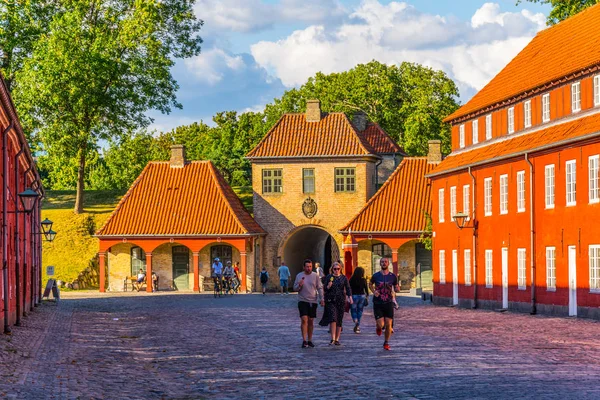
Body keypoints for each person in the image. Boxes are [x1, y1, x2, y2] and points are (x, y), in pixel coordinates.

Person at [369, 258, 400, 351]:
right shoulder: (376, 276)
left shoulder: (393, 276)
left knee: (388, 324)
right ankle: (378, 327)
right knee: (381, 324)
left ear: (388, 263)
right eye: (382, 262)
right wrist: (374, 291)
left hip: (388, 302)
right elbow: (370, 284)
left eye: (385, 262)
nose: (384, 263)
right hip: (378, 302)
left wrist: (397, 289)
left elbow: (396, 287)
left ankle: (386, 342)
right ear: (380, 264)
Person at [293, 258, 324, 348]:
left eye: (310, 266)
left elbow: (320, 287)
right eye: (307, 267)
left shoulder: (315, 276)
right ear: (304, 267)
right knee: (304, 319)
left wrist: (322, 298)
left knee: (311, 321)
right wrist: (299, 285)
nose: (309, 268)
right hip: (302, 300)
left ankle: (310, 339)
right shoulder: (299, 276)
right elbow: (295, 288)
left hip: (313, 301)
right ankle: (304, 340)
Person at [319, 262, 352, 346]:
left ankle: (337, 339)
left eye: (338, 269)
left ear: (340, 269)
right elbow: (324, 288)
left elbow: (348, 288)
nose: (336, 270)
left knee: (339, 320)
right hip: (330, 300)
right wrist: (328, 286)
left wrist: (350, 297)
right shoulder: (329, 277)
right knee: (333, 318)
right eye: (335, 269)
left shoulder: (344, 278)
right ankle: (332, 338)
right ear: (332, 269)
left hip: (340, 300)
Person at [349, 266, 369, 333]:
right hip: (362, 296)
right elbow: (366, 289)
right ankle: (357, 326)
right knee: (360, 310)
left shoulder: (351, 279)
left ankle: (355, 320)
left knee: (353, 310)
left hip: (354, 296)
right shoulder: (363, 280)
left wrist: (349, 296)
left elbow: (349, 288)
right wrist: (367, 296)